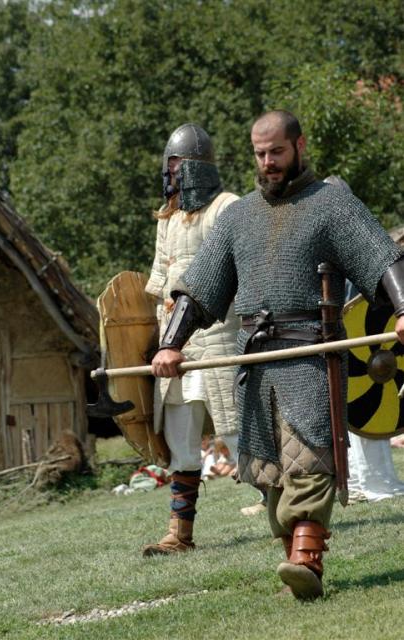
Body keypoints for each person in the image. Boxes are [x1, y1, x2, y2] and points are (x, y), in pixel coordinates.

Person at [150, 110, 404, 599]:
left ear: (299, 146)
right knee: (270, 474)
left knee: (309, 461)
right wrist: (171, 343)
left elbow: (381, 257)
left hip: (311, 354)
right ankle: (297, 563)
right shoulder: (239, 217)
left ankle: (307, 560)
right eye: (260, 154)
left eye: (277, 152)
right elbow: (199, 289)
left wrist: (402, 308)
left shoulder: (332, 205)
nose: (268, 162)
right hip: (256, 362)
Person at [142, 123, 241, 557]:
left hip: (220, 338)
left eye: (178, 164)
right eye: (169, 165)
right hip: (176, 348)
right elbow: (159, 285)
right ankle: (179, 533)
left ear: (199, 166)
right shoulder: (166, 218)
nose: (171, 173)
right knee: (181, 443)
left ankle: (286, 514)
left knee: (238, 435)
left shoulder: (228, 207)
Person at [324, 176, 404, 504]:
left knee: (369, 414)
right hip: (339, 343)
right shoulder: (319, 244)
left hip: (371, 347)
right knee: (349, 414)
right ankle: (357, 480)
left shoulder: (364, 241)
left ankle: (373, 481)